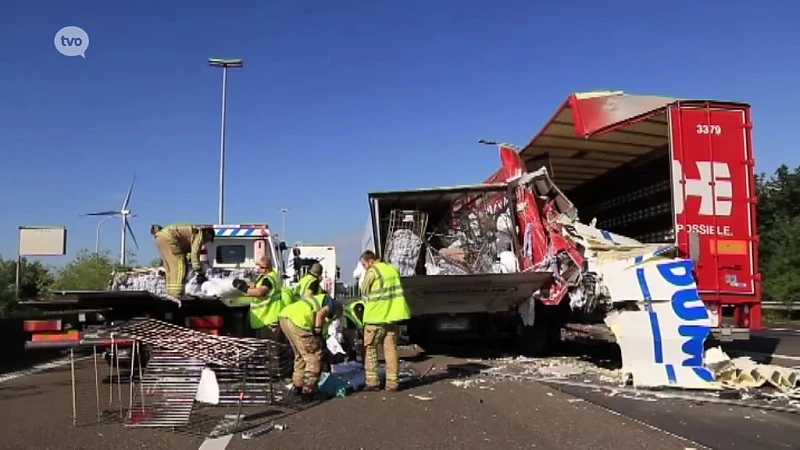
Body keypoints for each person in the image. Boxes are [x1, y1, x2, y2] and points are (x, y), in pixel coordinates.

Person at [359, 250, 411, 392]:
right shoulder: (393, 269)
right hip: (392, 317)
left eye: (364, 265)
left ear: (370, 261)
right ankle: (393, 383)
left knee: (370, 349)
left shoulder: (373, 272)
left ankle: (372, 382)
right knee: (391, 350)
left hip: (375, 317)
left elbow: (364, 291)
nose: (365, 268)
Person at [278, 291, 341, 401]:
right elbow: (321, 314)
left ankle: (298, 385)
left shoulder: (319, 299)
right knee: (314, 356)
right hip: (299, 321)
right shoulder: (333, 305)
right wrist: (317, 334)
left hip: (285, 316)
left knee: (301, 355)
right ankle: (309, 391)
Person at [153, 224, 215, 297]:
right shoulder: (199, 235)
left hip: (160, 238)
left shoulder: (190, 234)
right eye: (208, 239)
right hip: (170, 239)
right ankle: (177, 295)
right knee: (180, 268)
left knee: (171, 270)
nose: (206, 242)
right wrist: (199, 273)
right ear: (207, 233)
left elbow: (188, 253)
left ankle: (170, 294)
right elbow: (195, 254)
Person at [232, 256, 285, 340]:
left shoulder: (268, 279)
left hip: (268, 318)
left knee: (268, 345)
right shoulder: (268, 276)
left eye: (261, 267)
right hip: (265, 317)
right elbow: (255, 285)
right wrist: (247, 285)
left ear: (266, 268)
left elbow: (261, 292)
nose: (259, 269)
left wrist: (244, 289)